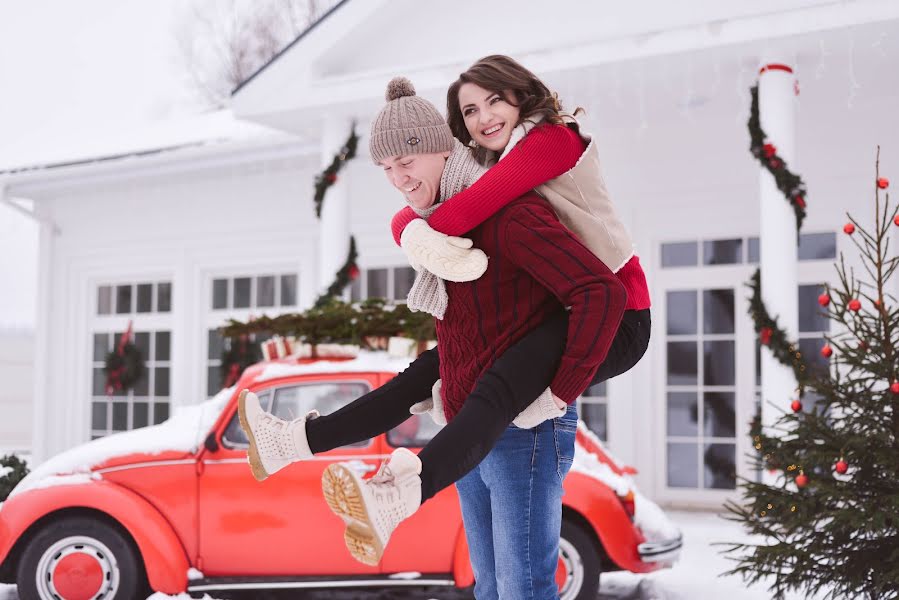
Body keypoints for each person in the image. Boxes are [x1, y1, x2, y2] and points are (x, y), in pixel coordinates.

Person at [239, 76, 627, 596]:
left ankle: (392, 491)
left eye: (408, 162)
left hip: (525, 426)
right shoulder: (442, 228)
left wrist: (560, 391)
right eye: (387, 168)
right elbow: (468, 325)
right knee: (487, 585)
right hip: (470, 423)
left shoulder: (511, 215)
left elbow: (600, 294)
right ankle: (294, 442)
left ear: (442, 149)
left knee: (523, 588)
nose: (398, 178)